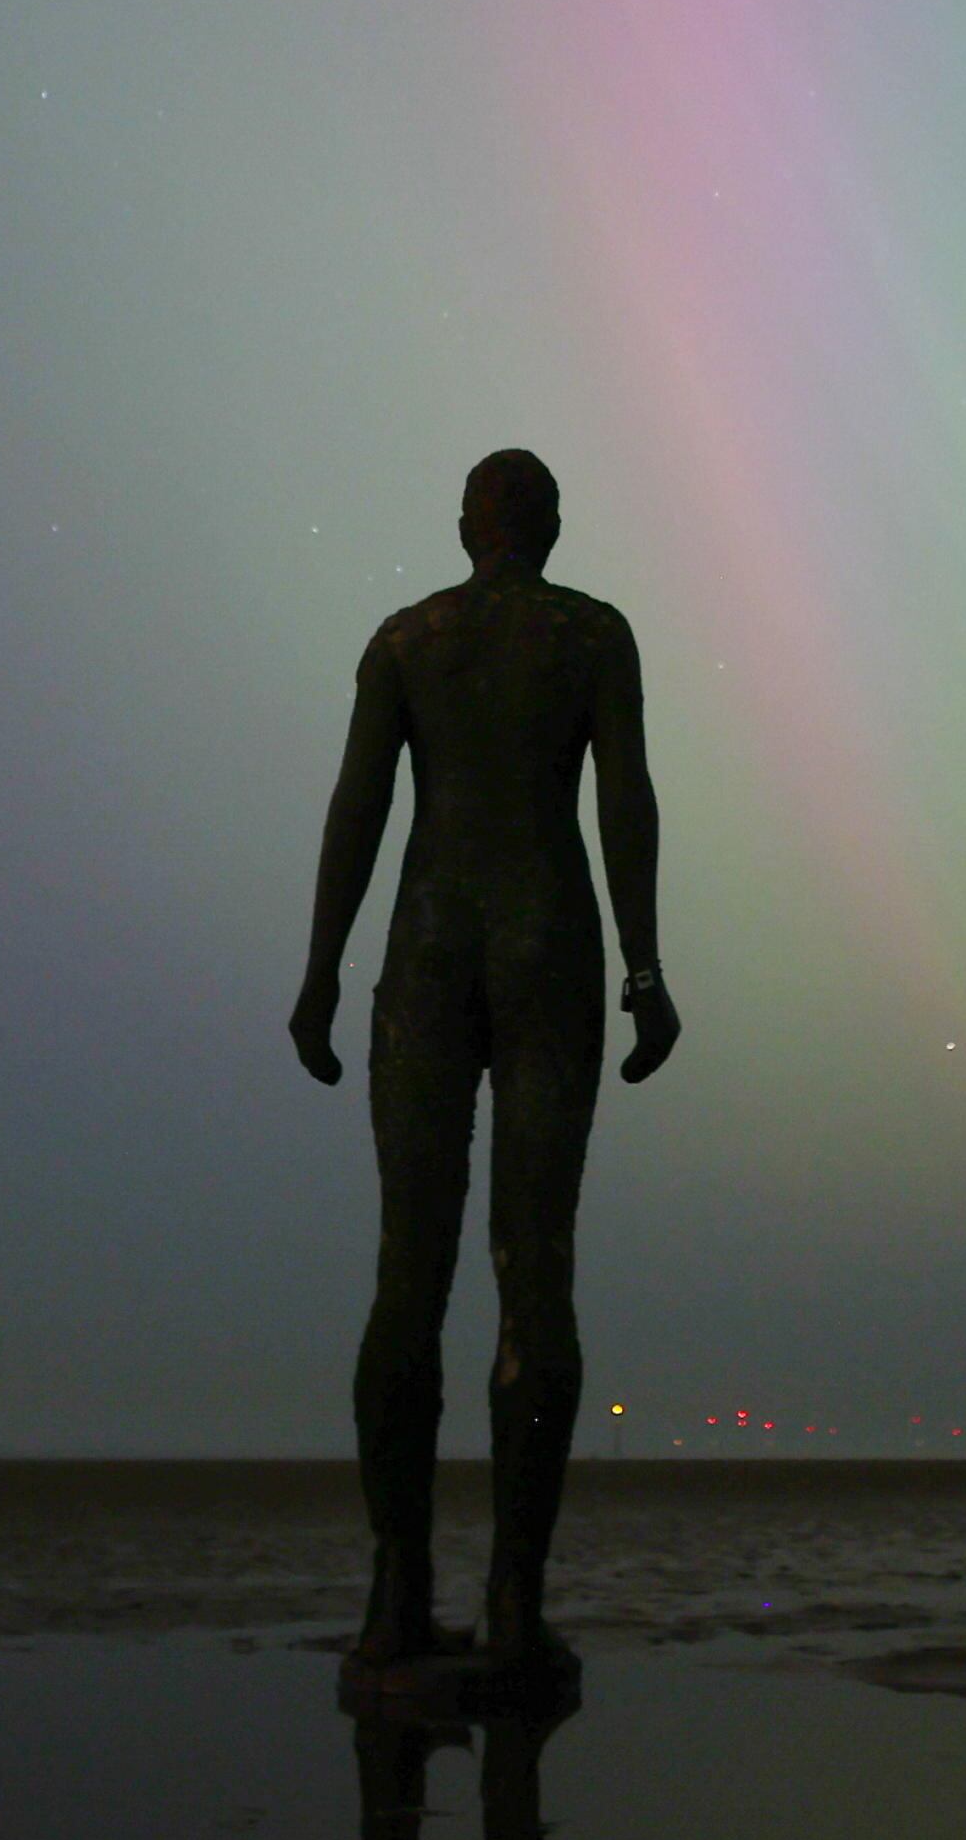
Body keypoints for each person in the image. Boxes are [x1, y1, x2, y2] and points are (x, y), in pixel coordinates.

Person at [289, 449, 681, 1691]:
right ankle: (513, 1597)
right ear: (550, 528)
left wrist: (320, 969)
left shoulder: (408, 638)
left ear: (466, 525)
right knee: (534, 1270)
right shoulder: (588, 635)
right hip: (544, 944)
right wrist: (643, 967)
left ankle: (395, 1590)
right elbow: (624, 795)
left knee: (410, 1269)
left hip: (425, 949)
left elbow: (356, 805)